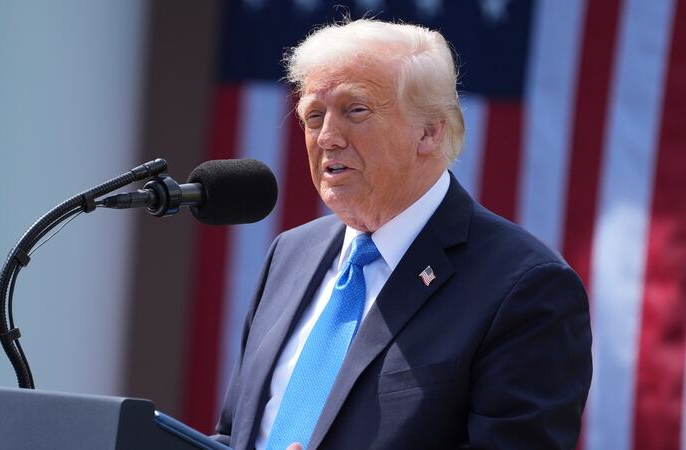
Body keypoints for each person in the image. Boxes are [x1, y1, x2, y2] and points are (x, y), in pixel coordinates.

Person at [214, 19, 592, 450]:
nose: (328, 138)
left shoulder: (526, 286)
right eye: (313, 116)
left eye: (355, 110)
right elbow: (236, 434)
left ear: (430, 131)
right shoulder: (290, 254)